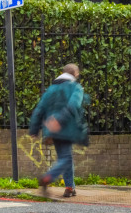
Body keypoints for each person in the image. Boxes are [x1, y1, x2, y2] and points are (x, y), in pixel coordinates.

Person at [30, 63, 89, 198]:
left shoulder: (51, 89)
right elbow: (73, 105)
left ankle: (70, 187)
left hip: (51, 129)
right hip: (66, 128)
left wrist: (34, 129)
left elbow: (40, 108)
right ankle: (48, 177)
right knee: (66, 158)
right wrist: (60, 120)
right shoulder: (76, 87)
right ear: (75, 74)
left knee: (65, 156)